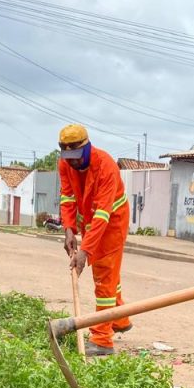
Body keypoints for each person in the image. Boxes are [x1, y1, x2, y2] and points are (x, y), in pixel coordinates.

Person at [58, 123, 132, 357]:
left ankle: (102, 340)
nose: (73, 163)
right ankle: (118, 319)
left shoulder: (106, 166)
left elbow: (103, 213)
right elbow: (67, 196)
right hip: (92, 220)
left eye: (76, 157)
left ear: (87, 147)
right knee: (110, 276)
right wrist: (69, 229)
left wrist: (86, 251)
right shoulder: (65, 164)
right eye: (68, 157)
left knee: (104, 277)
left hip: (112, 222)